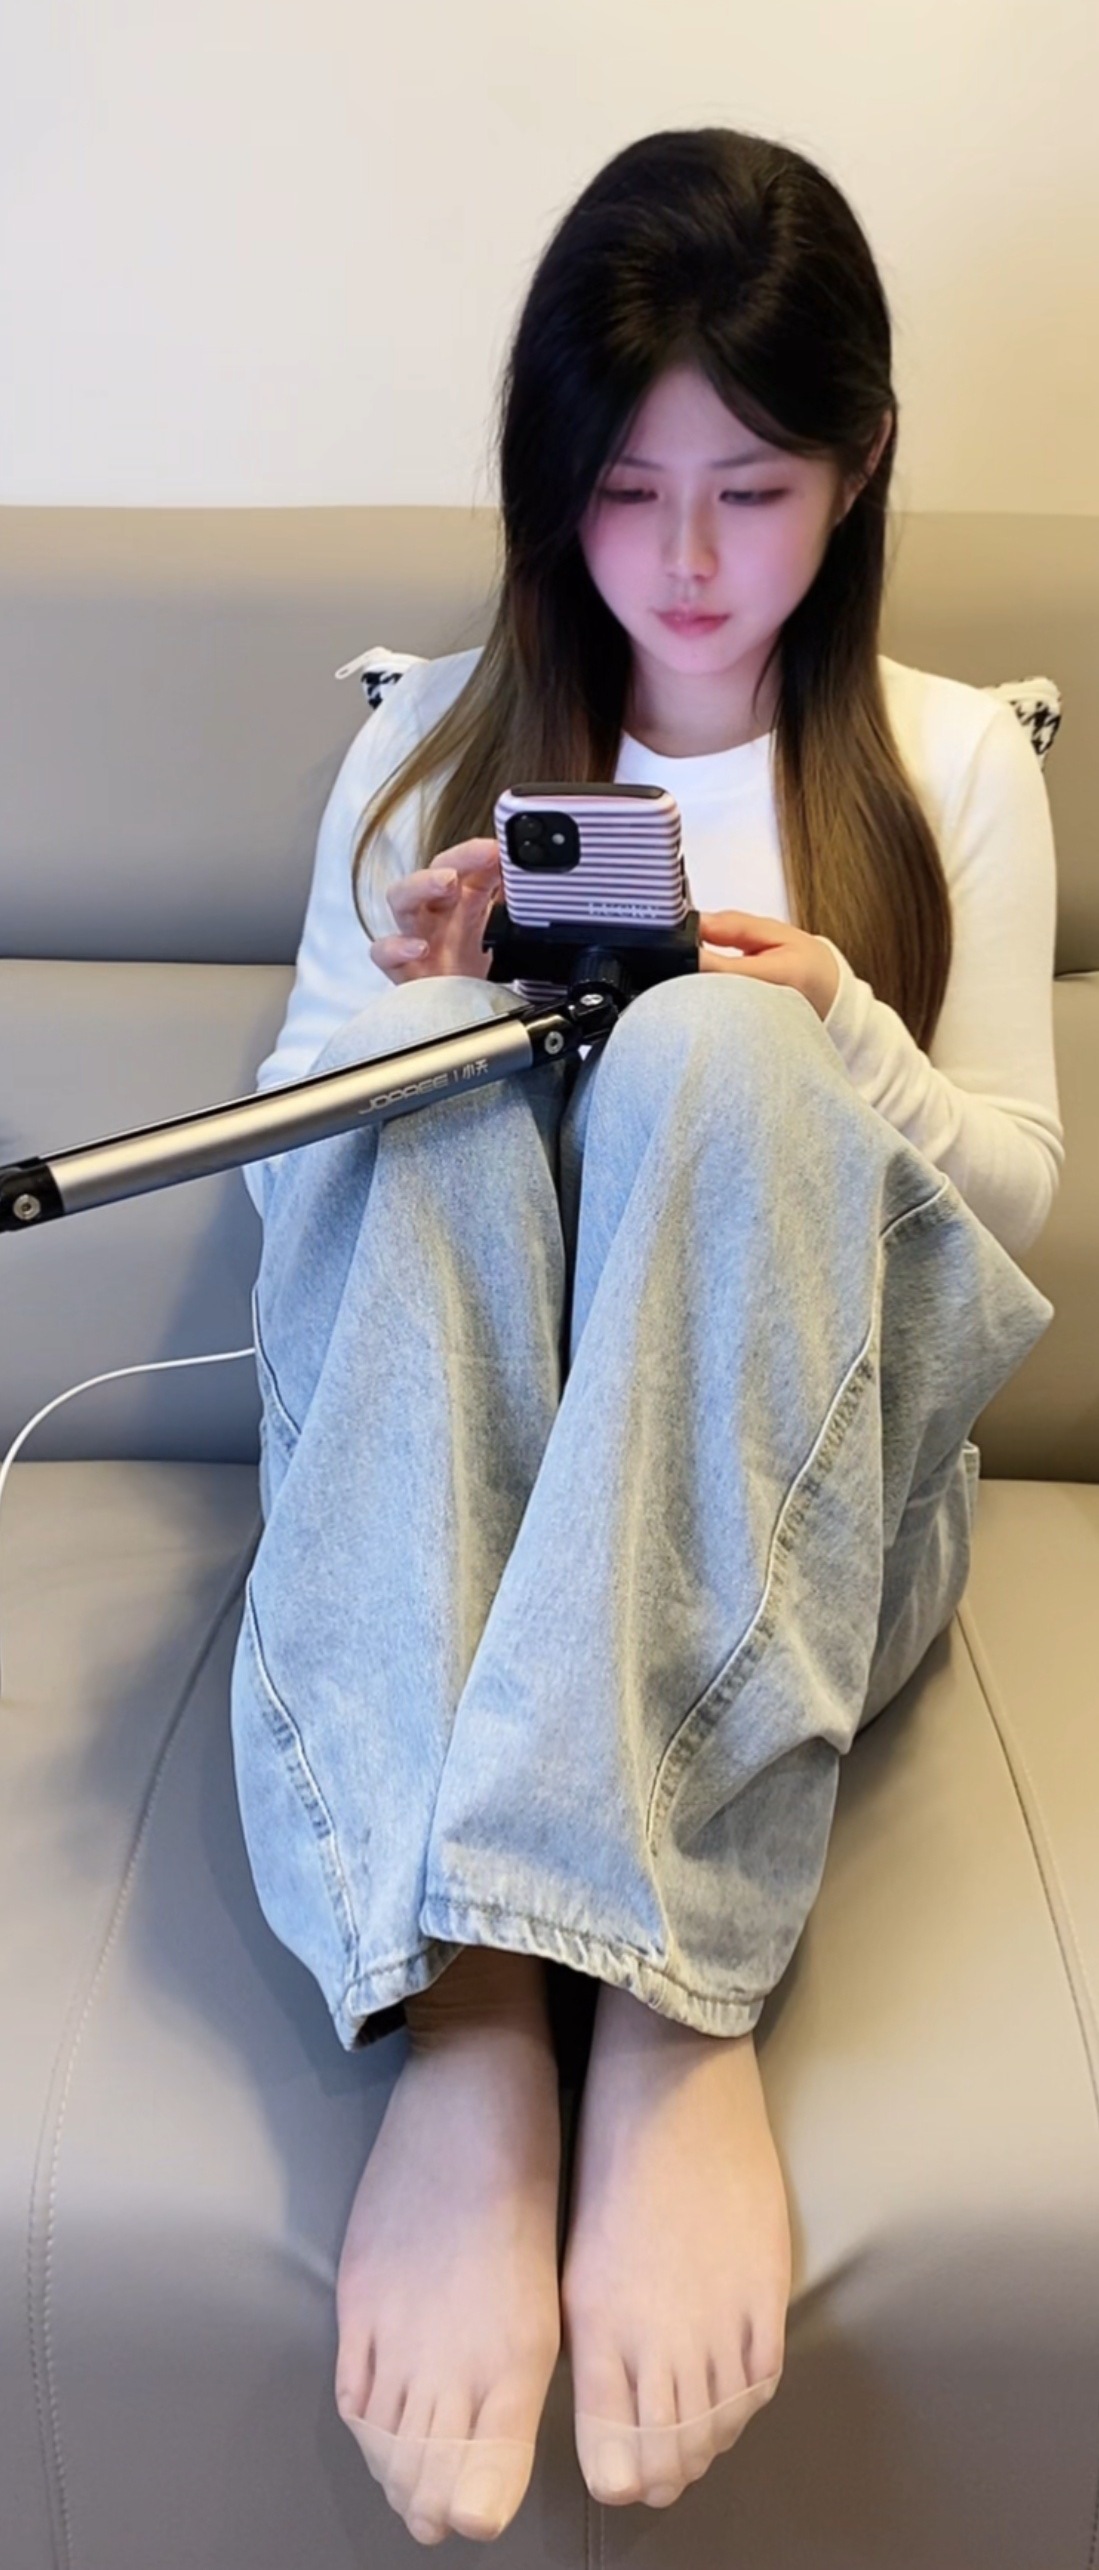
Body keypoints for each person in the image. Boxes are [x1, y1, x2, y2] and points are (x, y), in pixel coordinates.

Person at [229, 126, 1062, 2549]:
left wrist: (831, 1027)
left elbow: (1013, 1209)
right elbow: (290, 1213)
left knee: (712, 1051)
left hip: (797, 1507)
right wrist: (409, 1015)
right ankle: (487, 2006)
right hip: (461, 1501)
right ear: (543, 478)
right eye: (622, 492)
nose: (687, 563)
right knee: (434, 1096)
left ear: (859, 465)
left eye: (753, 490)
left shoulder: (946, 760)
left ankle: (664, 1991)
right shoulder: (422, 745)